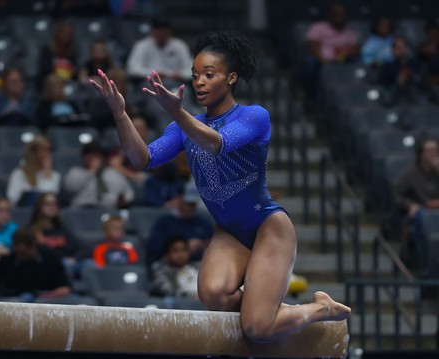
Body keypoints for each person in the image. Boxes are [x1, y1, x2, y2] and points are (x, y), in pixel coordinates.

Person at [90, 30, 350, 343]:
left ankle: (319, 309)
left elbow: (216, 144)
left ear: (231, 78)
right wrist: (120, 114)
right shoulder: (182, 128)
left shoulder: (254, 117)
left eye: (209, 75)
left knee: (256, 330)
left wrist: (177, 111)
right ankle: (269, 310)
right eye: (195, 75)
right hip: (229, 231)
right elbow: (141, 159)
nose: (199, 81)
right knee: (213, 294)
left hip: (267, 227)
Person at [395, 136, 439, 272]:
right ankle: (426, 266)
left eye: (436, 150)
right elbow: (397, 195)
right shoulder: (411, 173)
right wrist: (410, 205)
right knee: (423, 219)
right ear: (421, 154)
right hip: (422, 211)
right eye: (430, 150)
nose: (434, 154)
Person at [302, 2, 359, 105]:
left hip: (342, 61)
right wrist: (323, 60)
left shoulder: (348, 31)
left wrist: (345, 56)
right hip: (321, 61)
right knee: (311, 63)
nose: (340, 18)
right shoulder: (318, 27)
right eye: (337, 15)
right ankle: (309, 95)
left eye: (342, 15)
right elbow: (312, 47)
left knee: (359, 62)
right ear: (330, 15)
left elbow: (354, 49)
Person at [147, 181, 214, 265]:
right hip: (172, 267)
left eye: (193, 203)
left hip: (199, 265)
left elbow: (214, 242)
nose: (191, 207)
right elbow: (154, 250)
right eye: (188, 203)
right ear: (178, 199)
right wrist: (184, 248)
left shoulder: (203, 223)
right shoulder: (165, 223)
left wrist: (205, 246)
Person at [0, 228, 72, 302]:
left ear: (33, 246)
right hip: (14, 299)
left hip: (46, 299)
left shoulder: (50, 257)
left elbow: (65, 287)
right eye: (19, 253)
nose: (21, 256)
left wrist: (54, 293)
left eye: (24, 253)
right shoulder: (8, 260)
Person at [63, 140, 134, 208]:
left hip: (106, 209)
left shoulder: (112, 173)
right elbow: (70, 189)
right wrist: (91, 172)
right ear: (84, 157)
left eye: (98, 157)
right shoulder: (75, 172)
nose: (95, 160)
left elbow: (129, 192)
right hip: (82, 209)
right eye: (92, 157)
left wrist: (124, 199)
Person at [6, 135, 61, 206]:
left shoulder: (55, 175)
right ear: (33, 153)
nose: (46, 155)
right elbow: (12, 198)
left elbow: (50, 199)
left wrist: (47, 174)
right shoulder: (18, 173)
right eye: (43, 150)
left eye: (48, 151)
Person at [27, 192, 79, 267]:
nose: (52, 206)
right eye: (48, 204)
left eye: (55, 204)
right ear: (39, 207)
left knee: (89, 264)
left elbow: (78, 247)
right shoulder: (30, 229)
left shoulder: (63, 228)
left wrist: (75, 258)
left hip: (65, 262)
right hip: (42, 265)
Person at [36, 20, 78, 91]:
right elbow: (45, 70)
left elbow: (75, 71)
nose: (66, 36)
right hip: (50, 85)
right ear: (58, 33)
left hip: (68, 84)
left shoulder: (72, 52)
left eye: (69, 34)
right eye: (64, 33)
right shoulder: (47, 50)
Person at [379, 36, 420, 106]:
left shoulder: (415, 62)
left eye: (402, 46)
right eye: (397, 47)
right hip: (394, 94)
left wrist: (407, 74)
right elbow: (386, 81)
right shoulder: (388, 65)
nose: (400, 49)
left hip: (413, 93)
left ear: (407, 48)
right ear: (393, 50)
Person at [360, 16, 395, 82]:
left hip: (392, 68)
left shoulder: (393, 40)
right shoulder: (371, 41)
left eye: (387, 26)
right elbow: (365, 57)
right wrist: (372, 61)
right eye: (382, 25)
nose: (385, 28)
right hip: (376, 69)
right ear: (377, 27)